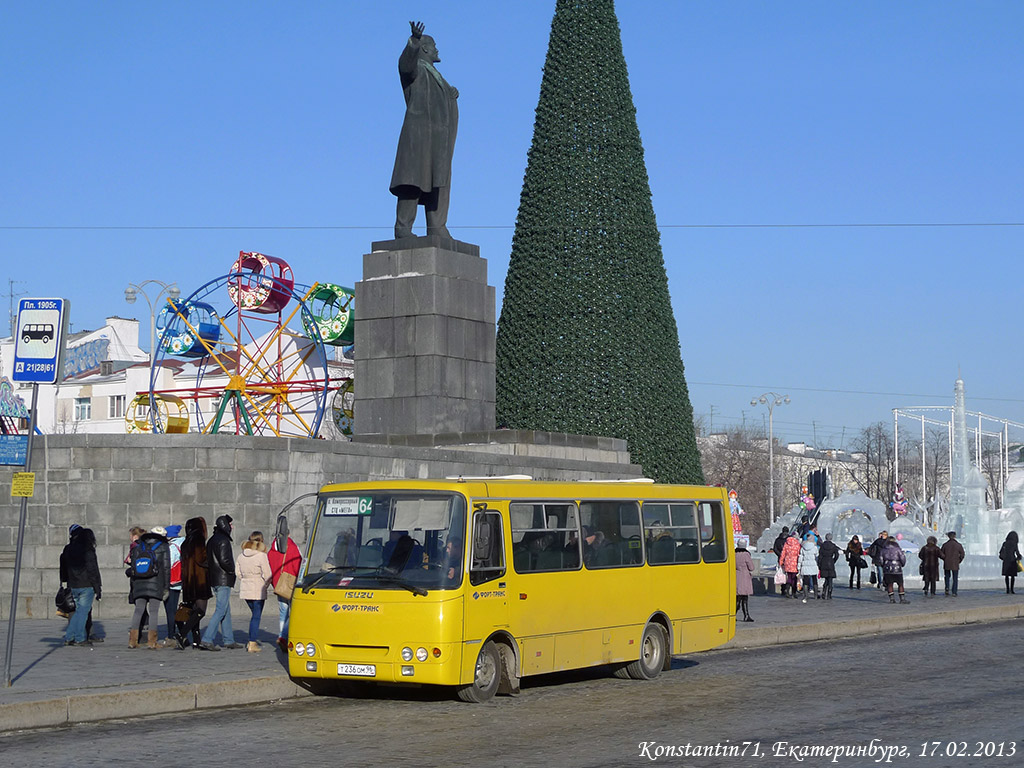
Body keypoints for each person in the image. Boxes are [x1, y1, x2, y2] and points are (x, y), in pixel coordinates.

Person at [390, 20, 460, 239]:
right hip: (419, 138)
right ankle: (403, 228)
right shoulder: (416, 69)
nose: (438, 49)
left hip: (439, 140)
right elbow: (405, 66)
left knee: (439, 184)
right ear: (426, 49)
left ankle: (437, 227)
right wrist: (413, 41)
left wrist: (450, 94)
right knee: (413, 180)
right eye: (434, 45)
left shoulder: (436, 75)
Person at [126, 527, 171, 649]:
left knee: (138, 610)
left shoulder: (138, 547)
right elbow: (166, 569)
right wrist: (166, 587)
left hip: (139, 583)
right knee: (154, 611)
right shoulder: (163, 547)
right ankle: (152, 642)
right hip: (156, 583)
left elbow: (133, 568)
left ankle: (132, 641)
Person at [201, 514, 240, 650]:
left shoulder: (212, 540)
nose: (232, 527)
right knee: (221, 609)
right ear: (225, 525)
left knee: (225, 609)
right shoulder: (223, 540)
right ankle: (207, 639)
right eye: (230, 524)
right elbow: (225, 561)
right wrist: (232, 570)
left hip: (215, 578)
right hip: (223, 579)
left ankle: (228, 639)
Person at [59, 526, 102, 646]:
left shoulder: (68, 549)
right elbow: (92, 569)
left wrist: (64, 580)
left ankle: (69, 636)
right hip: (86, 584)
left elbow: (63, 566)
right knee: (83, 612)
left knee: (78, 611)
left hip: (73, 584)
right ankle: (80, 638)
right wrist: (97, 587)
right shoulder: (87, 549)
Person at [267, 513, 302, 653]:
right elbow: (297, 566)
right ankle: (283, 637)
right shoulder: (292, 548)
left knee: (282, 612)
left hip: (278, 584)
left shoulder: (272, 550)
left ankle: (282, 635)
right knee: (292, 613)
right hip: (290, 583)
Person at [178, 517, 213, 650]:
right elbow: (201, 558)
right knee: (200, 611)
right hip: (199, 580)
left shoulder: (186, 541)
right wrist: (210, 564)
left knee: (193, 610)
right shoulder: (198, 539)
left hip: (188, 581)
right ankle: (181, 634)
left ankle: (196, 641)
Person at [237, 531, 272, 653]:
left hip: (246, 588)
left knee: (254, 614)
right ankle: (252, 642)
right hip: (258, 587)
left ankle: (252, 640)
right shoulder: (261, 556)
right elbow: (267, 574)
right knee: (256, 616)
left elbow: (238, 573)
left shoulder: (241, 555)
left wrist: (246, 580)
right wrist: (266, 584)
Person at [162, 524, 184, 647]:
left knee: (170, 610)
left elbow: (167, 565)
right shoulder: (182, 544)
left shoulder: (171, 548)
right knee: (174, 609)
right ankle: (181, 633)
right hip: (178, 582)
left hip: (170, 582)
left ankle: (171, 635)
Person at [881, 536, 909, 604]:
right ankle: (902, 599)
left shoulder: (883, 549)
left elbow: (881, 559)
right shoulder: (898, 549)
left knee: (890, 584)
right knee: (900, 584)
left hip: (887, 568)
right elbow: (902, 558)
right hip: (897, 568)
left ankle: (892, 599)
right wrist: (902, 564)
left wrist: (884, 566)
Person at [940, 530, 965, 596]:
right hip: (955, 564)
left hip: (947, 563)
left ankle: (947, 588)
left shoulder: (945, 545)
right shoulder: (958, 545)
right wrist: (959, 561)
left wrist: (945, 559)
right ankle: (954, 591)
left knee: (947, 577)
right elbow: (962, 554)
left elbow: (941, 554)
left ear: (948, 537)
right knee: (955, 578)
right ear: (954, 536)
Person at [735, 541, 755, 622]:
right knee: (745, 598)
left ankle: (733, 615)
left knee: (737, 598)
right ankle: (746, 615)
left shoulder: (734, 553)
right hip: (744, 577)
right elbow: (751, 567)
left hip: (736, 577)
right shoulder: (746, 554)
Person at [797, 533, 820, 602]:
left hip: (805, 566)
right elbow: (817, 557)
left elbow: (800, 558)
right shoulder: (815, 548)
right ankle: (815, 595)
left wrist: (799, 567)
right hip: (813, 565)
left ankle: (806, 595)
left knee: (805, 581)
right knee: (814, 579)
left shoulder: (803, 548)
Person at [817, 533, 841, 600]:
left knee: (826, 579)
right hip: (830, 562)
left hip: (824, 562)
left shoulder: (822, 546)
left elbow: (820, 556)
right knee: (830, 579)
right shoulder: (833, 546)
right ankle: (829, 594)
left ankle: (824, 593)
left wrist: (819, 564)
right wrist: (833, 561)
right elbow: (837, 555)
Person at [779, 531, 802, 599]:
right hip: (795, 563)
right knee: (794, 578)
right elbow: (799, 554)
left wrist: (781, 562)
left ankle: (787, 591)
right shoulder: (797, 544)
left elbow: (783, 553)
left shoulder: (786, 543)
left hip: (787, 563)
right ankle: (794, 593)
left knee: (789, 577)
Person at [772, 526, 790, 596]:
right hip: (789, 558)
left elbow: (775, 548)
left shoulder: (778, 539)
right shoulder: (789, 539)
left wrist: (780, 555)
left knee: (782, 573)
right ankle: (788, 588)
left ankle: (783, 589)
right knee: (788, 573)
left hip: (780, 559)